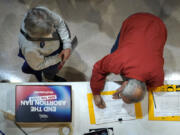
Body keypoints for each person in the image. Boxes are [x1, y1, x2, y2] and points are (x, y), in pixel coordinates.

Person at [90, 13, 167, 108]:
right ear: (125, 83)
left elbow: (152, 86)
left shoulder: (157, 75)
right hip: (136, 21)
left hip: (159, 27)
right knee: (114, 50)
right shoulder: (117, 59)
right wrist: (96, 93)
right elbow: (98, 68)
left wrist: (130, 91)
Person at [18, 6, 72, 82]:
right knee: (50, 70)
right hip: (45, 58)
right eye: (47, 34)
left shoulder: (42, 14)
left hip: (51, 50)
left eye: (52, 27)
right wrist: (58, 58)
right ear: (35, 36)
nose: (53, 32)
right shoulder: (30, 49)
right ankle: (49, 77)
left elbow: (59, 23)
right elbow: (39, 65)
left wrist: (67, 45)